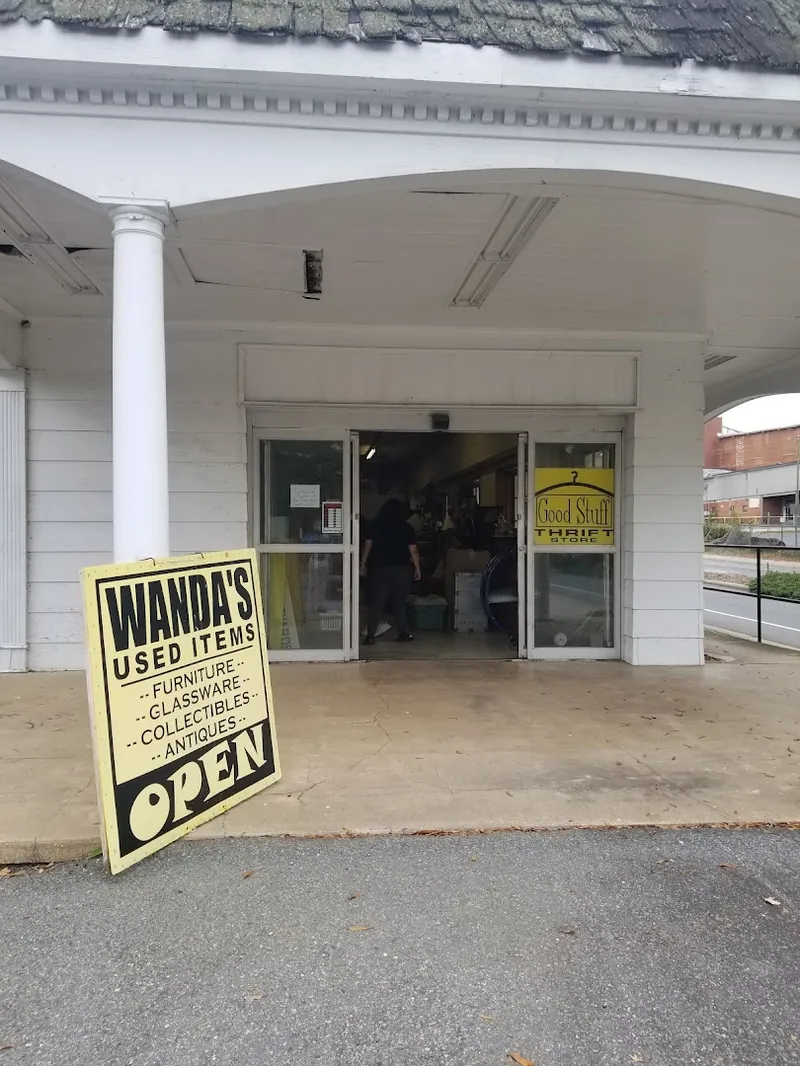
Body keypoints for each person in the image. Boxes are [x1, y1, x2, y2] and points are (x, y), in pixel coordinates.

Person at [360, 497, 421, 645]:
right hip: (402, 569)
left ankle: (370, 636)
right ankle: (403, 633)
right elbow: (413, 551)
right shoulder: (406, 528)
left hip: (379, 569)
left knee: (377, 602)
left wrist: (363, 564)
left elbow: (367, 547)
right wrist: (418, 569)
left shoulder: (375, 526)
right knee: (399, 602)